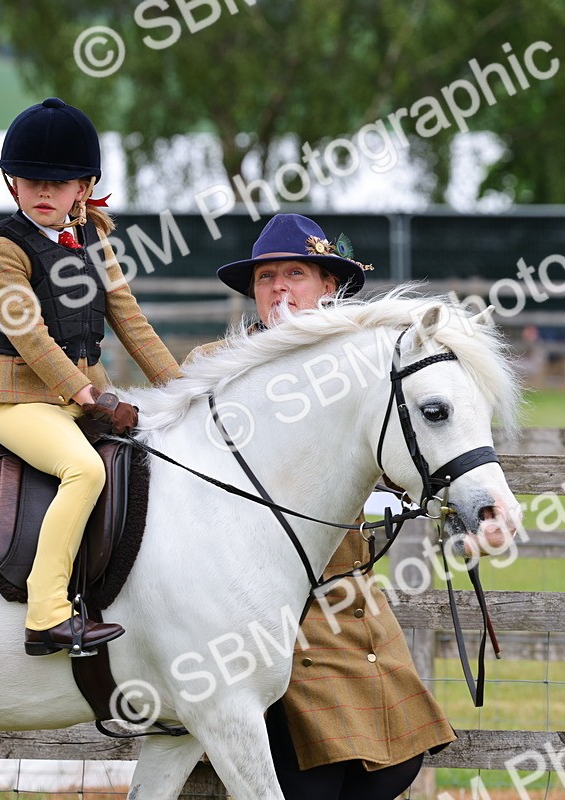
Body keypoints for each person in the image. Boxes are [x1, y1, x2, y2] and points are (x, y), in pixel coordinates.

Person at [187, 213, 454, 799]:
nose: (278, 288)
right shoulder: (216, 365)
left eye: (294, 274)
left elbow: (409, 447)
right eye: (265, 278)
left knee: (395, 765)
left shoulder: (362, 368)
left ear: (329, 286)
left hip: (349, 586)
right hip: (255, 597)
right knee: (309, 777)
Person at [0, 97, 180, 656]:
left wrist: (185, 390)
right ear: (13, 184)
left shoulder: (95, 243)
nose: (44, 193)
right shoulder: (1, 248)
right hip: (20, 401)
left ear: (84, 185)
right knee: (83, 471)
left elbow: (131, 321)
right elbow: (28, 333)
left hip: (84, 398)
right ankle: (47, 613)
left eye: (59, 182)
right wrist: (87, 393)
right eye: (31, 181)